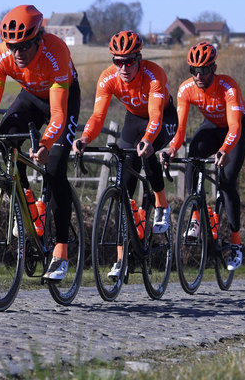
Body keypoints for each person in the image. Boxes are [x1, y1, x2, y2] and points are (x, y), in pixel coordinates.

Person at [0, 5, 80, 281]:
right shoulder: (1, 57)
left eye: (24, 46)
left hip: (61, 97)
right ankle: (30, 210)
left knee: (54, 170)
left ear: (38, 39)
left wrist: (47, 144)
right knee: (7, 137)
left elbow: (58, 115)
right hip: (31, 96)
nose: (17, 53)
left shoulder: (56, 52)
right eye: (12, 46)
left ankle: (61, 254)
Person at [73, 30, 178, 279]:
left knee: (146, 151)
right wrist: (85, 139)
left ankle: (161, 204)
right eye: (117, 61)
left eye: (129, 61)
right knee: (123, 190)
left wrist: (148, 140)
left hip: (163, 119)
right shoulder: (108, 78)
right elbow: (98, 117)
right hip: (134, 119)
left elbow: (155, 117)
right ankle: (122, 260)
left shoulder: (154, 75)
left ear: (139, 58)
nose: (123, 67)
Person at [164, 41, 245, 271]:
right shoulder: (186, 89)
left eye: (203, 69)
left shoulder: (228, 87)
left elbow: (234, 128)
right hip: (211, 125)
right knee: (193, 154)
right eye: (193, 70)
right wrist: (172, 148)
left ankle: (235, 241)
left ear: (214, 68)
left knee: (227, 182)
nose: (198, 75)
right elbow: (180, 130)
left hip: (234, 129)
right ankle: (195, 214)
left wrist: (224, 150)